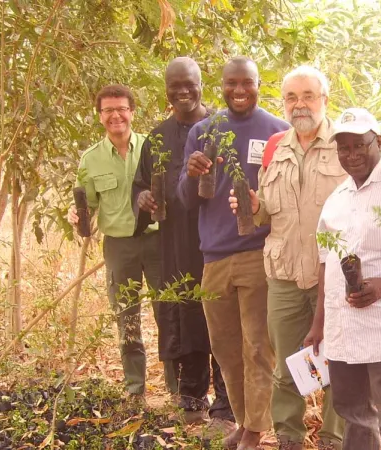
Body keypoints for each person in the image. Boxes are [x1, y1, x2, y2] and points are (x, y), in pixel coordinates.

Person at [228, 65, 346, 450]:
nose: (300, 105)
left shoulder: (347, 142)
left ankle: (332, 437)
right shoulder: (276, 145)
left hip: (336, 275)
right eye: (292, 98)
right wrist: (252, 206)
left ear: (324, 100)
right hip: (283, 275)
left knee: (338, 361)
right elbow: (267, 214)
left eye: (308, 96)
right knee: (286, 365)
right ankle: (289, 437)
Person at [177, 56, 290, 450]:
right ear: (220, 86)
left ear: (260, 85)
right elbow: (185, 200)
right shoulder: (203, 131)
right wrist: (191, 175)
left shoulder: (279, 131)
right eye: (231, 83)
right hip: (214, 258)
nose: (239, 91)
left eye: (248, 83)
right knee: (225, 348)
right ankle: (244, 421)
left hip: (258, 255)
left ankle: (256, 431)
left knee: (258, 346)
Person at [306, 108, 381, 450]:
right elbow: (325, 264)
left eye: (359, 145)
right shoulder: (338, 198)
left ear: (379, 141)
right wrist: (319, 324)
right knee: (352, 410)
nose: (351, 155)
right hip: (343, 325)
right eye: (343, 148)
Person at [132, 57, 235, 432]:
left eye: (189, 84)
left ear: (201, 84)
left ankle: (226, 405)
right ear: (166, 91)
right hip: (176, 242)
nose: (183, 92)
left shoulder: (223, 129)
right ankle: (192, 396)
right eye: (175, 85)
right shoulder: (157, 138)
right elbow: (141, 186)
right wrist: (143, 199)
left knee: (223, 319)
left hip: (218, 239)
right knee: (186, 314)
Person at [67, 84, 159, 401]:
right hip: (119, 247)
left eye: (121, 108)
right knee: (127, 318)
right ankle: (135, 391)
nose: (115, 115)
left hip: (158, 242)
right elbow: (87, 204)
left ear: (132, 112)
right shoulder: (90, 160)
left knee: (170, 314)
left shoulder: (152, 147)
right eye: (108, 110)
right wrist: (77, 216)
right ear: (100, 116)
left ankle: (179, 392)